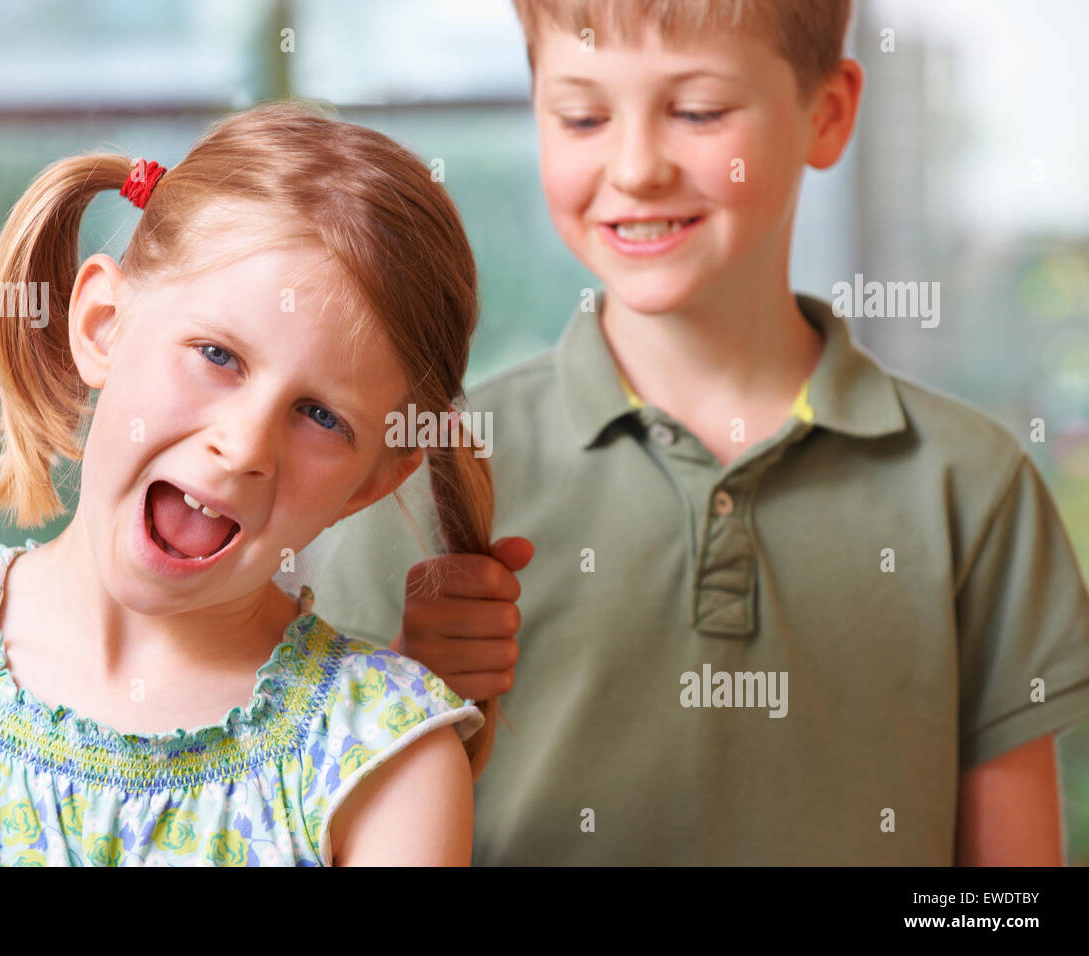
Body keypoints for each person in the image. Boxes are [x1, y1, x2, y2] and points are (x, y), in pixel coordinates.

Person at [307, 0, 1089, 864]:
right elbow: (314, 813)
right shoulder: (426, 469)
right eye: (583, 116)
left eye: (698, 112)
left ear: (826, 113)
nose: (636, 167)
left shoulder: (973, 488)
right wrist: (409, 686)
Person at [0, 101, 495, 866]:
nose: (242, 445)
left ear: (365, 485)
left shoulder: (388, 760)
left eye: (320, 415)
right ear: (101, 325)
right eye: (217, 355)